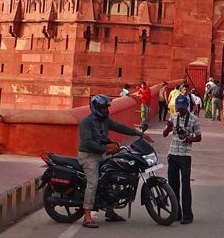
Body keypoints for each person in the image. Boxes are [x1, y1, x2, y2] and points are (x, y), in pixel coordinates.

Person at [78, 95, 154, 228]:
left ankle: (110, 210)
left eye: (107, 107)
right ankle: (87, 215)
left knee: (117, 174)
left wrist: (139, 134)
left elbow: (121, 127)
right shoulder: (86, 122)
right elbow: (88, 142)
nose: (106, 110)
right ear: (96, 108)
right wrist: (106, 148)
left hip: (102, 154)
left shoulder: (105, 120)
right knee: (93, 182)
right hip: (89, 156)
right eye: (103, 107)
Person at [163, 94, 202, 224]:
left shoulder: (194, 119)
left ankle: (187, 215)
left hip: (185, 155)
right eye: (178, 108)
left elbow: (198, 137)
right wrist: (168, 127)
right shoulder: (173, 117)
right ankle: (177, 213)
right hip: (173, 154)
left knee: (185, 186)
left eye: (182, 108)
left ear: (187, 106)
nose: (179, 110)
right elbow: (164, 134)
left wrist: (187, 139)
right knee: (173, 185)